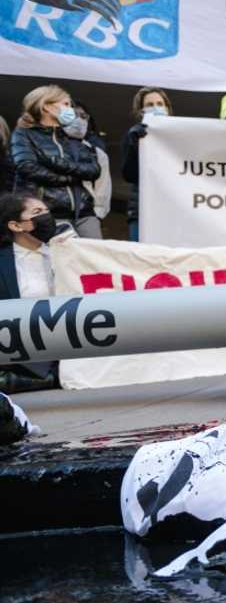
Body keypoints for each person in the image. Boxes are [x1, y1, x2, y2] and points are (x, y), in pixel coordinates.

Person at [10, 85, 102, 238]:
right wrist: (68, 178)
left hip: (84, 212)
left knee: (96, 259)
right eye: (66, 104)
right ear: (46, 107)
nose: (70, 109)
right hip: (48, 214)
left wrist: (57, 163)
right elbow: (27, 167)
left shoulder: (72, 136)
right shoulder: (24, 134)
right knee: (61, 260)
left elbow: (93, 170)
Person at [0, 193, 63, 391]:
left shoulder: (66, 251)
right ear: (16, 225)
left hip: (65, 342)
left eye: (47, 211)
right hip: (20, 352)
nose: (46, 217)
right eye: (37, 212)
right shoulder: (3, 261)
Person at [121, 87, 172, 242]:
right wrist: (133, 144)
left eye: (159, 103)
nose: (155, 107)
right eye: (149, 104)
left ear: (168, 109)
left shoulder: (180, 136)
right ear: (141, 111)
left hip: (173, 209)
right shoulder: (133, 135)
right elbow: (129, 175)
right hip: (142, 211)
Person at [71, 101, 111, 234]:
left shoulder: (97, 153)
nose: (79, 119)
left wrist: (97, 214)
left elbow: (103, 187)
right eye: (73, 115)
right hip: (55, 214)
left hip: (87, 215)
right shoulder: (50, 149)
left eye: (83, 116)